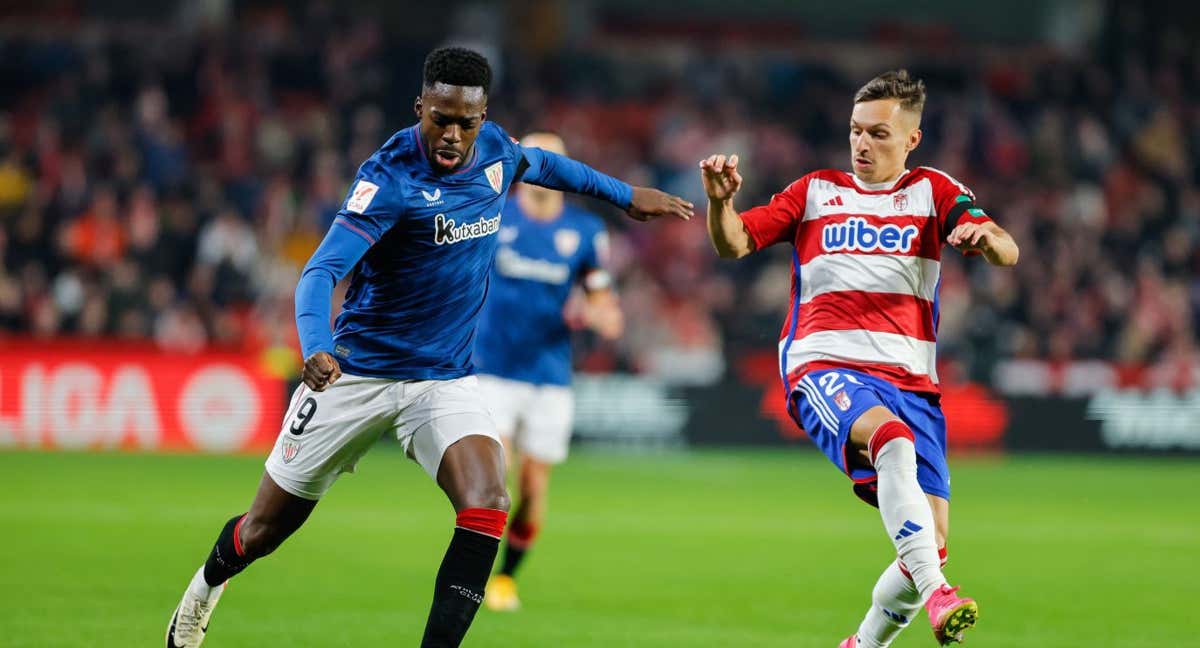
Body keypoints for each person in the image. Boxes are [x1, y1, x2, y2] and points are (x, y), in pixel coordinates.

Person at [165, 47, 693, 648]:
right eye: (439, 117)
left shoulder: (495, 150)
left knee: (490, 500)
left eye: (465, 122)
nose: (451, 134)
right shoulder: (388, 179)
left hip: (443, 379)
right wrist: (315, 345)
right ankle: (206, 586)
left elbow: (548, 165)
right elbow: (319, 273)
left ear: (482, 116)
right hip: (355, 375)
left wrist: (628, 195)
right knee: (264, 530)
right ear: (420, 106)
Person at [699, 70, 1018, 647]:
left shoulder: (932, 191)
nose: (862, 144)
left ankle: (863, 644)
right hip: (823, 363)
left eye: (877, 133)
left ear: (911, 141)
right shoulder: (815, 191)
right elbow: (735, 243)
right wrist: (720, 205)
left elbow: (1006, 247)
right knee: (890, 443)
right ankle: (941, 594)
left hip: (912, 382)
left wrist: (987, 242)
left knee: (929, 539)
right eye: (854, 131)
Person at [471, 132, 624, 612]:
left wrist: (604, 314)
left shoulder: (583, 231)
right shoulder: (492, 214)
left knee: (534, 491)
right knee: (498, 475)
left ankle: (506, 579)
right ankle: (468, 579)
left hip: (550, 375)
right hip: (491, 368)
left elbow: (601, 296)